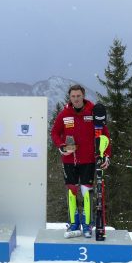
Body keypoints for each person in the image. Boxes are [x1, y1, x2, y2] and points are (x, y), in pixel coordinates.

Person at [51, 84, 111, 238]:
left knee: (86, 192)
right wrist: (61, 146)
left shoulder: (93, 112)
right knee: (71, 191)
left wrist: (106, 155)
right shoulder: (64, 114)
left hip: (88, 160)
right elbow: (55, 132)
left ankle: (87, 223)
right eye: (73, 96)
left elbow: (105, 136)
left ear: (83, 96)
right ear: (69, 97)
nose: (76, 99)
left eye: (78, 96)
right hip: (69, 160)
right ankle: (73, 223)